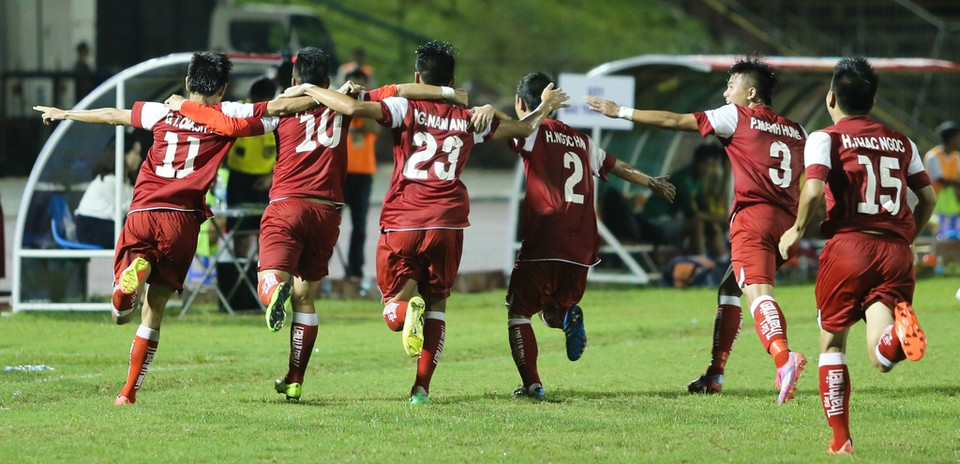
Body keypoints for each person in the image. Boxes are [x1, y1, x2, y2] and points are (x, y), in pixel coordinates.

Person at [168, 46, 471, 402]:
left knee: (270, 275)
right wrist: (452, 94)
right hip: (327, 212)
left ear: (294, 80)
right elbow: (402, 89)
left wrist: (185, 106)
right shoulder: (342, 100)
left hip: (287, 204)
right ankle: (294, 379)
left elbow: (230, 125)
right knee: (306, 300)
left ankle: (273, 290)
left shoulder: (282, 106)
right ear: (328, 80)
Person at [33, 51, 316, 405]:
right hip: (182, 220)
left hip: (144, 211)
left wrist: (64, 114)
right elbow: (276, 111)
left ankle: (129, 282)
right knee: (154, 310)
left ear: (187, 83)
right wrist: (317, 93)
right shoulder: (229, 113)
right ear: (223, 88)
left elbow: (112, 116)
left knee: (120, 315)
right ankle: (128, 393)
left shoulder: (162, 110)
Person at [298, 40, 569, 404]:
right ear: (453, 79)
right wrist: (544, 107)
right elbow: (522, 131)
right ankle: (421, 390)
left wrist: (310, 88)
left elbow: (349, 107)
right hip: (449, 223)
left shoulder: (402, 106)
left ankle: (403, 310)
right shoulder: (471, 118)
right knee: (437, 305)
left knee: (393, 307)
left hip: (403, 219)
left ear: (417, 77)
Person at [586, 54, 808, 403]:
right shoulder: (797, 130)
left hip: (754, 220)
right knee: (729, 289)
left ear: (750, 93)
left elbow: (676, 120)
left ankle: (785, 360)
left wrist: (621, 112)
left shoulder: (736, 115)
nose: (724, 94)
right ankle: (715, 373)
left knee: (758, 294)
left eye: (730, 86)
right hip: (787, 225)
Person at [472, 72, 675, 398]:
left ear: (521, 102)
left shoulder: (532, 132)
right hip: (581, 243)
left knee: (519, 312)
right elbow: (617, 165)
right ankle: (568, 315)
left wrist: (488, 108)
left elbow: (513, 126)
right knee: (553, 310)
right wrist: (651, 181)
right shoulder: (582, 140)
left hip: (545, 238)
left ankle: (533, 385)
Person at [778, 57, 936, 455]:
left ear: (832, 97)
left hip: (849, 247)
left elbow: (813, 190)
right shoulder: (903, 142)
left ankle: (840, 440)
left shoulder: (826, 137)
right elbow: (928, 197)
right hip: (896, 251)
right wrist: (906, 236)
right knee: (880, 359)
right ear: (873, 99)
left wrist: (795, 231)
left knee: (832, 344)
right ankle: (894, 340)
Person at [222, 77, 279, 257]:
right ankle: (240, 275)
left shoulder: (278, 115)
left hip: (266, 181)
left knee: (267, 234)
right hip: (239, 179)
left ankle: (263, 276)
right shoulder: (237, 112)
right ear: (251, 96)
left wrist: (271, 177)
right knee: (241, 234)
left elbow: (286, 150)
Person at [74, 136, 143, 248]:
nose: (140, 158)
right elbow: (124, 210)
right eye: (135, 153)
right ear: (123, 153)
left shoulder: (123, 182)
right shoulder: (108, 181)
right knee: (135, 235)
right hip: (91, 228)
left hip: (106, 224)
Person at [342, 69, 378, 280]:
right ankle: (319, 268)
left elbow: (375, 129)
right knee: (330, 225)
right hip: (341, 173)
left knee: (360, 226)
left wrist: (358, 105)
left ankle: (354, 270)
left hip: (363, 175)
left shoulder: (371, 108)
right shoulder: (338, 105)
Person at [923, 120, 960, 237]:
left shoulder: (956, 157)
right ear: (952, 139)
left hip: (953, 207)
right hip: (936, 207)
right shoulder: (933, 157)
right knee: (941, 237)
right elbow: (941, 180)